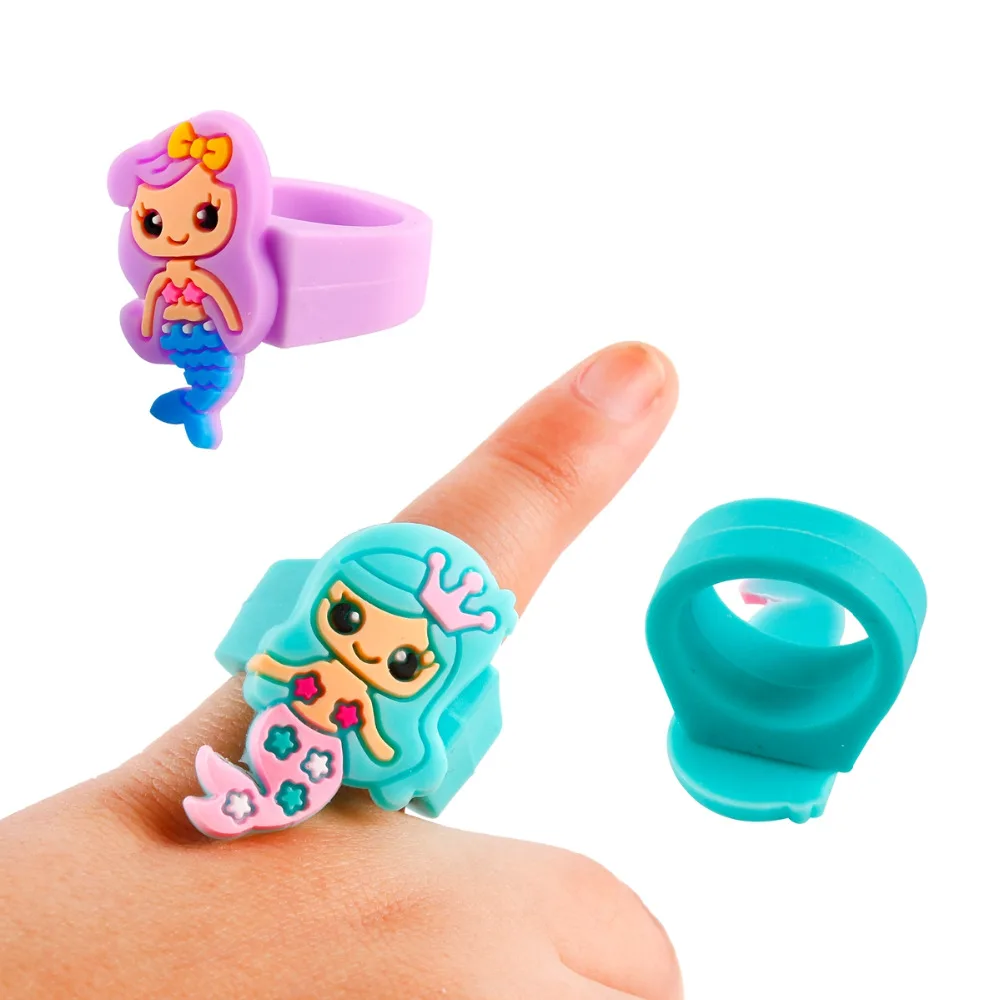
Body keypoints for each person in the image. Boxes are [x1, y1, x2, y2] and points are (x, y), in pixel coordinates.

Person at [0, 342, 682, 1000]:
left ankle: (251, 800)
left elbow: (402, 755)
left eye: (405, 662)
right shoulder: (287, 665)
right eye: (347, 619)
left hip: (315, 766)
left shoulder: (377, 721)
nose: (364, 653)